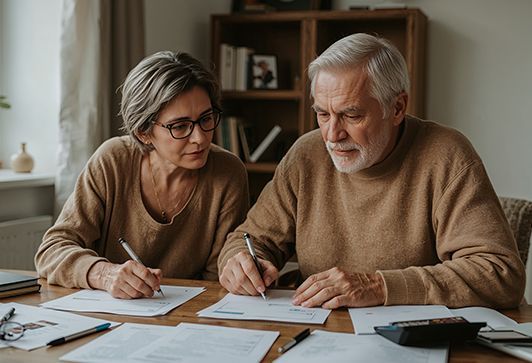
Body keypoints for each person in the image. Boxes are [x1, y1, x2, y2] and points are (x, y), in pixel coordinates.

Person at [218, 33, 525, 309]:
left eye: (351, 115)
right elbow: (247, 239)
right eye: (322, 114)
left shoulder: (447, 154)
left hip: (410, 341)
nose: (332, 134)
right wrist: (241, 262)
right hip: (317, 334)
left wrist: (379, 286)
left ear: (397, 108)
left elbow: (500, 273)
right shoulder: (306, 154)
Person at [35, 51, 249, 299]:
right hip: (108, 314)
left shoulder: (228, 173)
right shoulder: (113, 161)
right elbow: (51, 251)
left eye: (206, 118)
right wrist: (104, 274)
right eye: (180, 126)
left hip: (188, 316)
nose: (200, 138)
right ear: (143, 133)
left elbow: (219, 278)